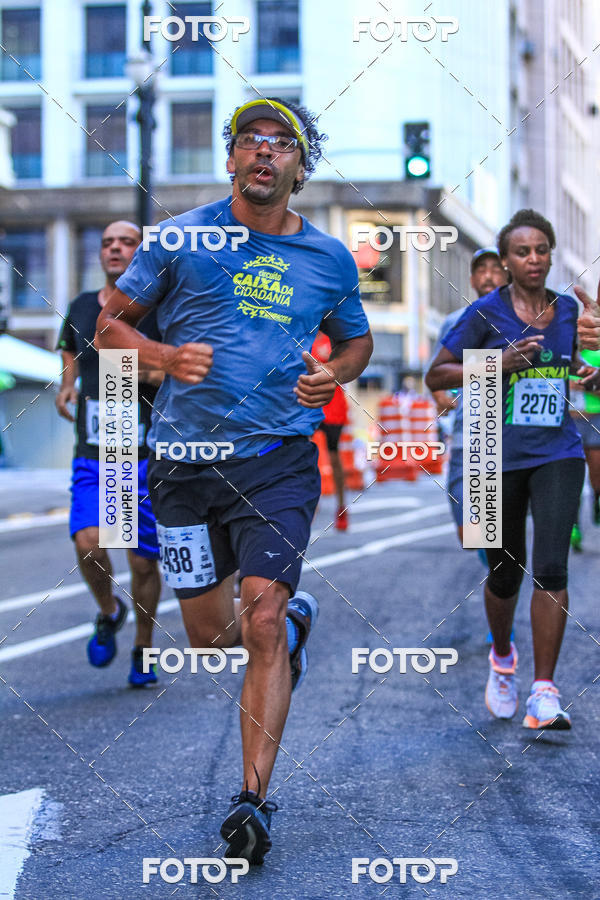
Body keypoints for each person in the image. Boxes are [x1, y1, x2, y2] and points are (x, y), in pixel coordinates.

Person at [95, 98, 372, 863]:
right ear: (230, 158)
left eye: (281, 145)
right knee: (210, 636)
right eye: (251, 140)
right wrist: (160, 358)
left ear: (298, 169)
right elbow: (108, 325)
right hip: (182, 463)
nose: (264, 153)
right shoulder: (183, 237)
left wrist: (334, 375)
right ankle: (295, 627)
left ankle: (252, 801)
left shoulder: (329, 259)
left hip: (277, 457)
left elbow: (357, 340)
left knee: (257, 618)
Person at [426, 208, 600, 731]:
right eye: (522, 251)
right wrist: (499, 364)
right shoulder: (483, 313)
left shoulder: (568, 310)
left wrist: (583, 370)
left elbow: (568, 362)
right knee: (504, 573)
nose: (533, 259)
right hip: (490, 455)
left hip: (558, 451)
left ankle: (544, 692)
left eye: (541, 250)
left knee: (550, 568)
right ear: (505, 261)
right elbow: (437, 372)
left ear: (550, 256)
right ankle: (503, 658)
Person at [56, 221, 162, 686]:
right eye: (107, 243)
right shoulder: (82, 306)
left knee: (142, 560)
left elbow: (174, 367)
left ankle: (143, 648)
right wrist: (67, 384)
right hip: (95, 452)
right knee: (88, 541)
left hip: (141, 453)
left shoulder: (158, 308)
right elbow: (69, 349)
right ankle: (109, 609)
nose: (115, 249)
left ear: (140, 253)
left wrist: (147, 373)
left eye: (126, 242)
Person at [430, 248, 507, 545]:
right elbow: (435, 374)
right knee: (471, 534)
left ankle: (499, 579)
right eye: (481, 270)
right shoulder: (454, 322)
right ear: (473, 279)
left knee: (496, 533)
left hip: (509, 440)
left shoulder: (521, 320)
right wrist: (441, 396)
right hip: (468, 438)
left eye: (495, 269)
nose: (488, 275)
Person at [312, 331, 350, 530]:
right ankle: (308, 506)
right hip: (309, 406)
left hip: (333, 408)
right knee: (305, 456)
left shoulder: (332, 339)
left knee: (335, 459)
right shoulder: (303, 336)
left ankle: (342, 507)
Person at [569, 347, 600, 550]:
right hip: (569, 422)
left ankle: (596, 502)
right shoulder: (561, 351)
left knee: (596, 474)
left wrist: (585, 386)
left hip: (595, 419)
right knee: (571, 477)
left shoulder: (596, 355)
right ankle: (573, 525)